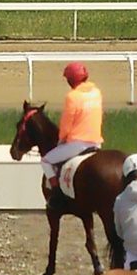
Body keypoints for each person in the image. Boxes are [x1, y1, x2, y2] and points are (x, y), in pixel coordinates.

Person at [40, 62, 105, 196]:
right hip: (96, 142)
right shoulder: (96, 92)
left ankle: (56, 193)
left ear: (71, 79)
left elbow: (66, 124)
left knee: (45, 161)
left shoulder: (72, 96)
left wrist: (61, 140)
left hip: (77, 144)